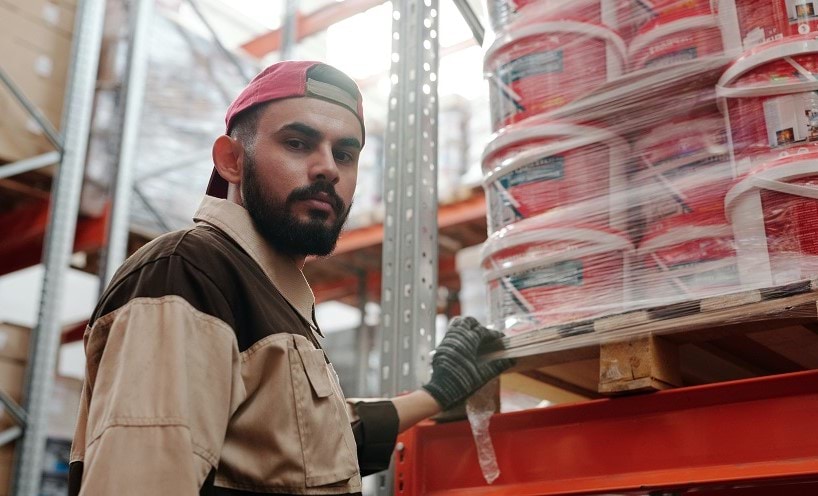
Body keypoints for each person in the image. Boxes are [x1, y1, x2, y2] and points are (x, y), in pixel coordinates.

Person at [68, 61, 513, 495]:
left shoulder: (273, 293)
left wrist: (437, 393)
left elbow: (305, 450)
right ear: (232, 161)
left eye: (344, 154)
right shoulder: (188, 273)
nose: (328, 170)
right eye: (298, 143)